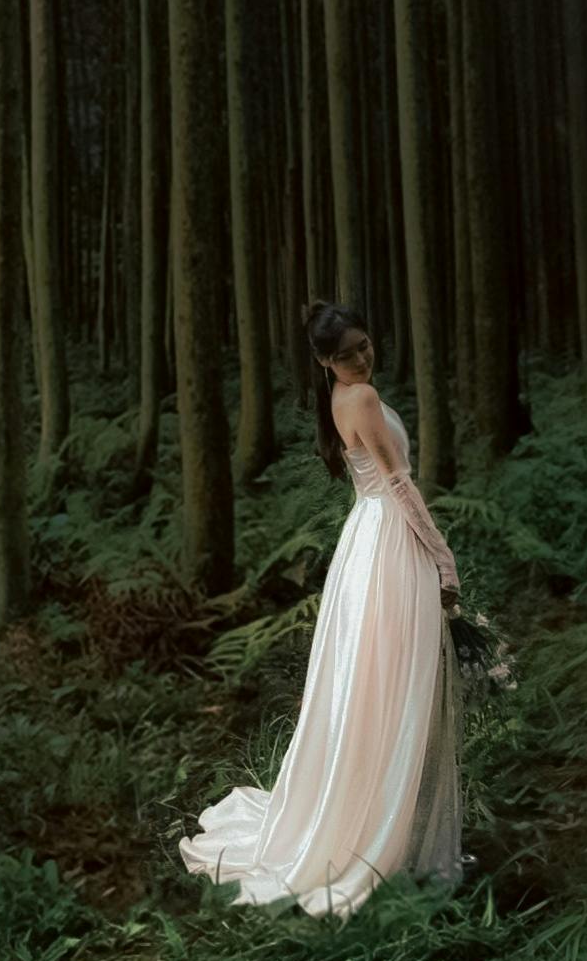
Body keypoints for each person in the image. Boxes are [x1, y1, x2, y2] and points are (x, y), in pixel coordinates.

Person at [178, 299, 467, 921]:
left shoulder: (345, 396)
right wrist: (442, 555)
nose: (362, 359)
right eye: (346, 355)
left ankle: (374, 805)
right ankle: (375, 824)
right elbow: (397, 484)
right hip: (389, 536)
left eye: (364, 345)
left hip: (370, 539)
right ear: (322, 362)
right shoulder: (358, 399)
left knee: (375, 681)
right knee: (391, 682)